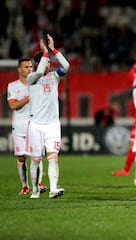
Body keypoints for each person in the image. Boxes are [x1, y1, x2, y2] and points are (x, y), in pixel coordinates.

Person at [26, 34, 70, 199]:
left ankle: (53, 189)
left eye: (50, 63)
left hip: (52, 125)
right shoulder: (32, 79)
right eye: (46, 62)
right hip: (36, 125)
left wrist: (53, 50)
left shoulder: (54, 77)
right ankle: (35, 190)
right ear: (37, 64)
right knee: (36, 160)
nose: (49, 65)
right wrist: (44, 52)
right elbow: (38, 73)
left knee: (53, 157)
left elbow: (66, 66)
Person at [7, 58, 47, 195]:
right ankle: (25, 186)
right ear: (19, 69)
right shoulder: (12, 86)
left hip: (35, 125)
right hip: (19, 126)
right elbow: (12, 105)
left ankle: (39, 183)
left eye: (31, 66)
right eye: (26, 67)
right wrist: (26, 99)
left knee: (37, 156)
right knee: (21, 158)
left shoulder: (37, 84)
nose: (29, 69)